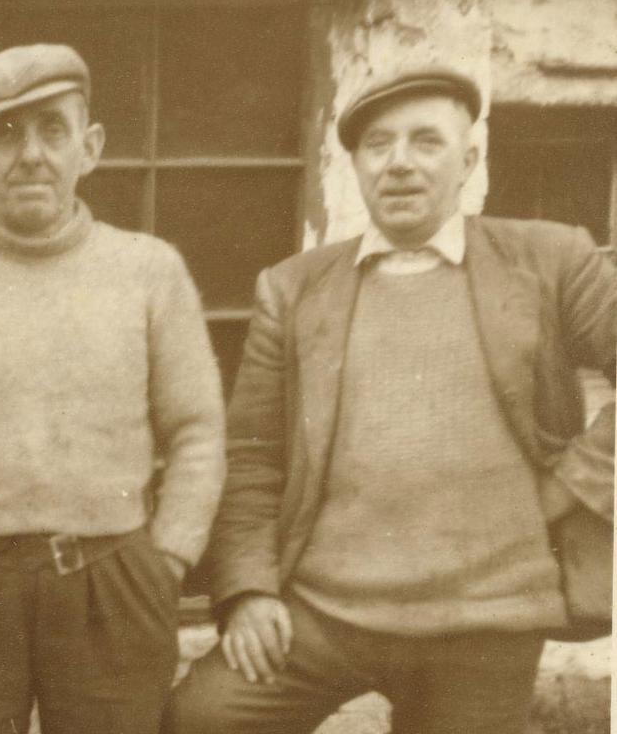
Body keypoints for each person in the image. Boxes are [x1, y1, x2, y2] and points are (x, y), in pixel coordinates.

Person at [166, 66, 616, 734]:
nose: (399, 163)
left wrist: (574, 485)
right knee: (203, 717)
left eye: (425, 142)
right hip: (324, 611)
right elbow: (253, 455)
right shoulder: (293, 289)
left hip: (486, 620)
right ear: (355, 162)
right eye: (378, 144)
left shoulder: (549, 259)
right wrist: (249, 590)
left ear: (468, 160)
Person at [0, 43, 226, 734]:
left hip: (113, 582)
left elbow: (198, 432)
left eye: (52, 130)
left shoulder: (149, 271)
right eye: (4, 134)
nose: (30, 154)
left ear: (88, 148)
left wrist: (168, 559)